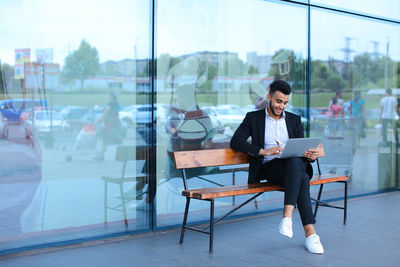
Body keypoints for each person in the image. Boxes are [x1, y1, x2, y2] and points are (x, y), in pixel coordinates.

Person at [230, 80, 324, 254]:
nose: (282, 106)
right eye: (278, 101)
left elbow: (301, 149)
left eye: (285, 103)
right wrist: (263, 151)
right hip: (271, 168)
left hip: (294, 166)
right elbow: (236, 141)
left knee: (297, 166)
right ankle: (310, 234)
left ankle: (288, 217)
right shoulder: (254, 118)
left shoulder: (294, 120)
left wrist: (311, 155)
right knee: (300, 175)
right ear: (269, 97)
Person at [94, 92, 122, 161]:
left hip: (110, 124)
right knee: (115, 138)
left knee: (104, 138)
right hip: (116, 123)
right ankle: (101, 154)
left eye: (109, 95)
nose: (108, 96)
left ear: (111, 96)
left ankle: (100, 155)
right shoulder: (117, 103)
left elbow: (106, 112)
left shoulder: (110, 104)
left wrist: (99, 120)